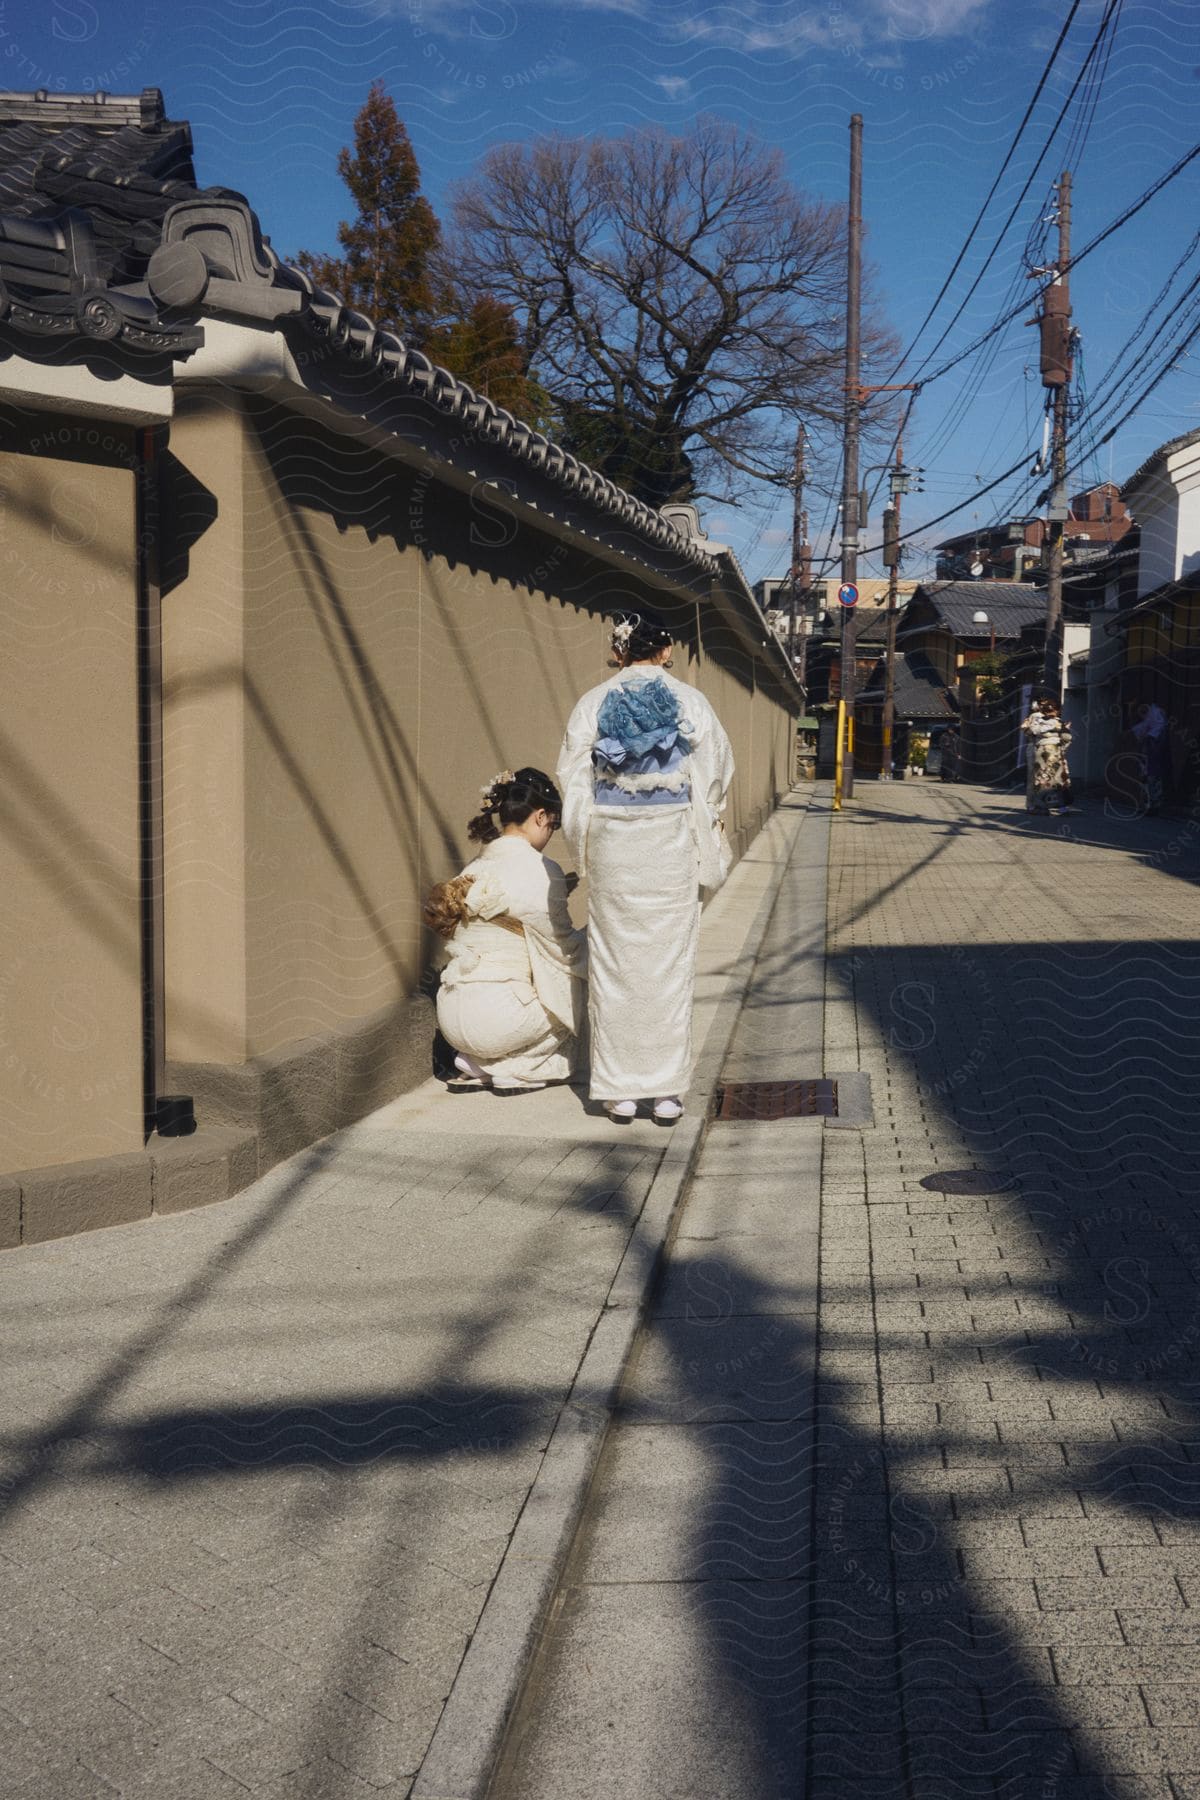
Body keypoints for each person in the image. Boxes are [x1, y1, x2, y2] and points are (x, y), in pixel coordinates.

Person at [557, 610, 734, 1125]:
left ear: (619, 652)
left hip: (616, 846)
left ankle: (618, 1091)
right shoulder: (689, 701)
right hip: (670, 843)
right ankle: (667, 1092)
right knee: (668, 964)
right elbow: (715, 767)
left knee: (615, 963)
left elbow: (573, 776)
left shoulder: (593, 702)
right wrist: (704, 819)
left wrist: (585, 843)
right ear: (663, 651)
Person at [424, 768, 587, 1093]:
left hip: (450, 1017)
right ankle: (512, 1070)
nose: (551, 832)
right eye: (553, 825)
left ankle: (474, 1061)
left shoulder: (474, 866)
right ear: (541, 816)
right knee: (574, 984)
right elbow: (564, 949)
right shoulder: (542, 870)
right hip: (500, 1019)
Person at [1020, 695, 1074, 815]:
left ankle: (1039, 806)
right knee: (1059, 780)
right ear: (1057, 711)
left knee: (1040, 779)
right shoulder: (1059, 723)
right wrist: (1063, 746)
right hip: (1055, 751)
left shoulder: (1036, 720)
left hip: (1039, 750)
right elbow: (1067, 738)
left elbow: (1028, 730)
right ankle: (1062, 808)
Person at [1131, 699, 1167, 813]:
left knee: (1151, 779)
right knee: (1147, 779)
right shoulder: (1148, 722)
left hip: (1152, 755)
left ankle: (1152, 805)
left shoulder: (1155, 716)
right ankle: (1148, 804)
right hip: (1148, 755)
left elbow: (1153, 736)